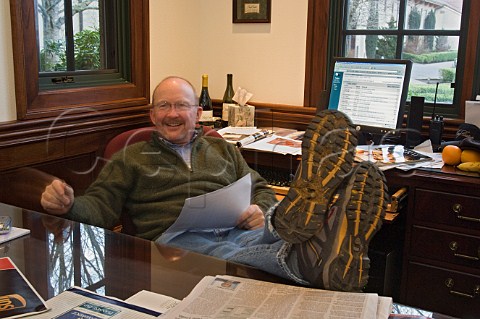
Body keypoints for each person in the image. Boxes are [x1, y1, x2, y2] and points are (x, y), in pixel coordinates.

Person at [41, 76, 388, 292]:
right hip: (176, 244)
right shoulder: (130, 157)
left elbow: (260, 188)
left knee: (271, 226)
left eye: (181, 105)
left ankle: (305, 233)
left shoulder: (222, 146)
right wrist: (68, 204)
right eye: (163, 105)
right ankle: (315, 253)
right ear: (152, 115)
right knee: (227, 254)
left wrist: (261, 208)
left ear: (198, 113)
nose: (172, 113)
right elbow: (98, 208)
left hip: (238, 227)